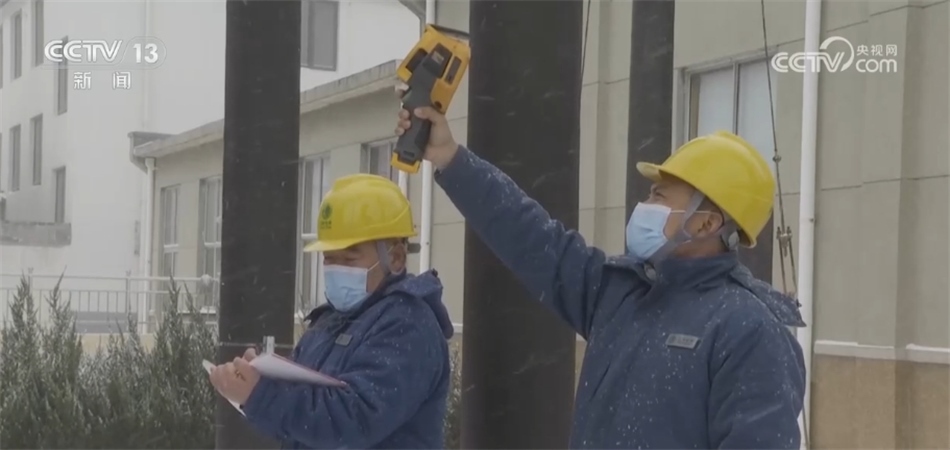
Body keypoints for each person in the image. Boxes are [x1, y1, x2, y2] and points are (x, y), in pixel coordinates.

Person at [394, 106, 807, 449]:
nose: (645, 205)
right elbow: (530, 236)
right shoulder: (620, 293)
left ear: (706, 223)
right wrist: (450, 158)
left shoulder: (749, 330)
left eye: (660, 195)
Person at [209, 174, 455, 449]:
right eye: (329, 259)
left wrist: (262, 396)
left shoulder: (408, 325)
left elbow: (355, 418)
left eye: (349, 259)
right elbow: (304, 422)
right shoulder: (328, 323)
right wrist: (262, 381)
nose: (337, 269)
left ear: (395, 258)